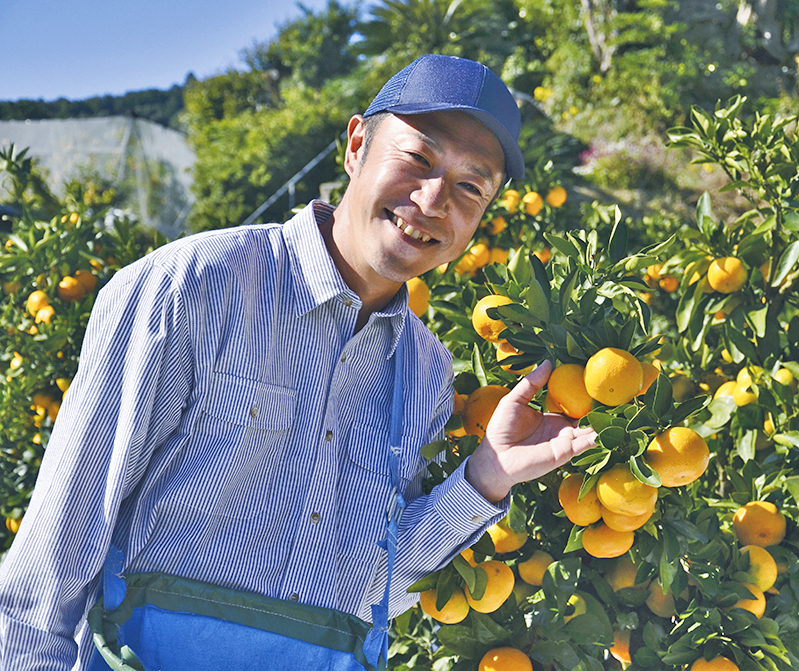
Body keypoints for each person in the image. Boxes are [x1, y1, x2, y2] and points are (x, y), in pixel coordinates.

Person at [0, 55, 598, 670]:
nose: (433, 199)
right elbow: (55, 554)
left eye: (471, 187)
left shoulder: (425, 373)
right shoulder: (188, 289)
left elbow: (365, 592)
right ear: (357, 145)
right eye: (418, 159)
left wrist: (486, 478)